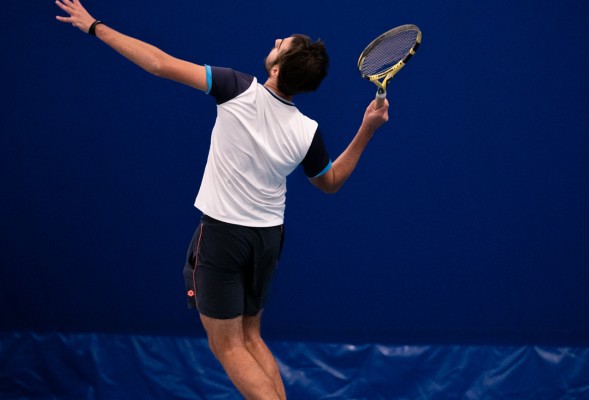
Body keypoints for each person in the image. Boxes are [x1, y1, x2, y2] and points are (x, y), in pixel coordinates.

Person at [56, 1, 389, 399]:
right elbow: (330, 182)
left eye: (281, 45)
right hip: (267, 240)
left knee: (227, 346)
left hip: (224, 237)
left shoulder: (237, 87)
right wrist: (367, 129)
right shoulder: (308, 130)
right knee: (251, 336)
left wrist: (95, 26)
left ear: (277, 69)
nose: (276, 40)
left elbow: (159, 64)